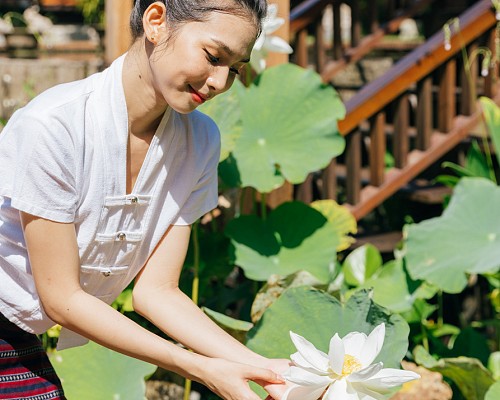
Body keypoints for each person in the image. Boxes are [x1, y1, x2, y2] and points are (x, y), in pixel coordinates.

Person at [0, 1, 291, 399]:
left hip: (19, 336)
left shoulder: (200, 141)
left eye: (235, 69)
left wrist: (265, 370)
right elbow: (62, 298)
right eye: (213, 56)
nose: (220, 82)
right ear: (156, 22)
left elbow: (157, 291)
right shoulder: (54, 126)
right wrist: (200, 368)